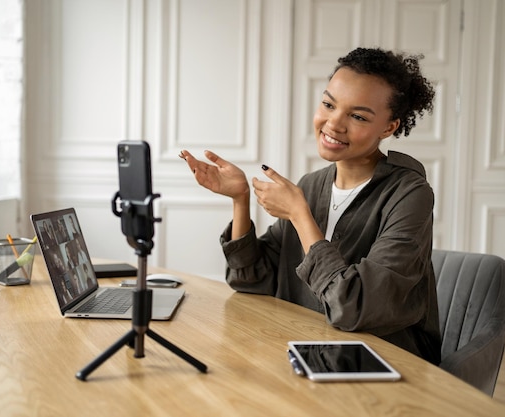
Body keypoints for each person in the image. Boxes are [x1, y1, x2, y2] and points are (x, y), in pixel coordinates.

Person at [180, 47, 442, 365]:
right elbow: (251, 280)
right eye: (329, 104)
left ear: (388, 128)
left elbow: (355, 307)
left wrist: (300, 215)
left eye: (358, 116)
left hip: (384, 361)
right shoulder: (312, 184)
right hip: (312, 348)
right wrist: (240, 201)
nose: (333, 124)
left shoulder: (410, 194)